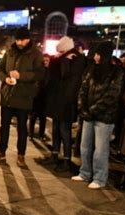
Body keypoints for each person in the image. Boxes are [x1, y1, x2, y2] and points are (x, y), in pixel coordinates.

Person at [71, 42, 124, 189]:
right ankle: (85, 172)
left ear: (103, 55)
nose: (95, 57)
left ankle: (100, 178)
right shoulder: (91, 70)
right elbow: (83, 89)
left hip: (104, 117)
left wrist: (92, 110)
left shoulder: (116, 72)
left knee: (100, 149)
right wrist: (82, 108)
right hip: (88, 115)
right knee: (85, 146)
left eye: (97, 54)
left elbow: (112, 95)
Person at [0, 27, 44, 167]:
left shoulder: (35, 54)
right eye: (18, 39)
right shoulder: (10, 51)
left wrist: (21, 76)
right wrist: (5, 78)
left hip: (24, 95)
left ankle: (21, 155)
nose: (20, 42)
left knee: (22, 128)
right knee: (4, 126)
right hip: (8, 95)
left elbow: (39, 74)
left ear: (28, 39)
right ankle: (1, 151)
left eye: (23, 40)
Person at [40, 36, 86, 173]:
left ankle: (66, 159)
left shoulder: (77, 59)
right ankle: (54, 154)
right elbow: (52, 76)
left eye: (60, 52)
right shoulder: (62, 58)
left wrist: (64, 61)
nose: (58, 54)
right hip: (57, 101)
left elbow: (67, 76)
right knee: (55, 129)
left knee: (64, 131)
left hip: (66, 102)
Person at [29, 53, 50, 141]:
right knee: (33, 115)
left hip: (45, 97)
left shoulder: (50, 71)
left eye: (47, 60)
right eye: (44, 60)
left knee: (43, 117)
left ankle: (41, 134)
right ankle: (31, 133)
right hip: (37, 96)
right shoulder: (39, 70)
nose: (45, 62)